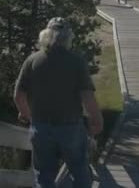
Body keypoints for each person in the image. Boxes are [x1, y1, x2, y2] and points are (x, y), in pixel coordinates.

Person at [14, 17, 103, 188]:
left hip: (41, 127)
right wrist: (96, 120)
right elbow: (87, 97)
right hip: (70, 128)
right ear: (68, 37)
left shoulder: (32, 60)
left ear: (45, 36)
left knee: (44, 176)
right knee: (80, 172)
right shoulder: (76, 61)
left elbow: (18, 95)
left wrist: (26, 114)